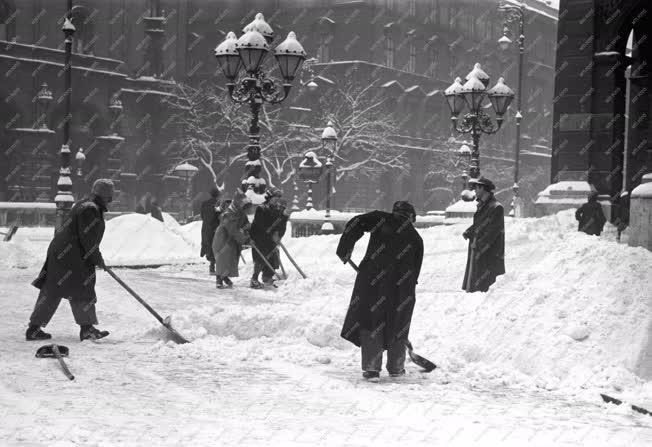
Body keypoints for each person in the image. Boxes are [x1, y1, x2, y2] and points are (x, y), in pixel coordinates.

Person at [336, 201, 424, 382]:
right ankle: (396, 368)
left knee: (372, 321)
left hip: (374, 283)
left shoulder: (382, 219)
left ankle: (371, 369)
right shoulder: (416, 238)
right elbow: (415, 272)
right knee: (398, 324)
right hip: (402, 288)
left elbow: (356, 223)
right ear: (411, 217)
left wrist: (344, 248)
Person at [26, 179, 113, 341]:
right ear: (105, 195)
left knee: (52, 290)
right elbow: (88, 239)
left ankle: (34, 329)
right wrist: (97, 259)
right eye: (110, 195)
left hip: (62, 253)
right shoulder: (90, 209)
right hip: (72, 256)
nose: (111, 199)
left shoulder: (84, 204)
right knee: (82, 288)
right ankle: (86, 329)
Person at [462, 176, 505, 293]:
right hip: (480, 248)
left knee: (486, 284)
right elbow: (480, 223)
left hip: (489, 251)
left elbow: (494, 230)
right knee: (478, 282)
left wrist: (480, 245)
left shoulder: (496, 207)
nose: (475, 190)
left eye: (477, 188)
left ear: (484, 189)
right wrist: (470, 231)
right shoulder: (483, 205)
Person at [249, 188, 290, 289]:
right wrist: (271, 233)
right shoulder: (261, 208)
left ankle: (267, 278)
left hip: (272, 239)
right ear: (269, 198)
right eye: (275, 198)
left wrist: (279, 234)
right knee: (261, 259)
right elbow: (259, 224)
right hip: (260, 238)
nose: (277, 200)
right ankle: (254, 279)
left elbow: (281, 224)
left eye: (278, 198)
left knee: (273, 258)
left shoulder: (279, 209)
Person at [212, 190, 252, 289]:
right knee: (223, 259)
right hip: (223, 239)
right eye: (243, 205)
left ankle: (224, 276)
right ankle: (219, 279)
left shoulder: (240, 212)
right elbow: (233, 230)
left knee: (231, 259)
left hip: (233, 240)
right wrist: (246, 239)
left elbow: (245, 224)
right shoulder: (229, 214)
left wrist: (248, 229)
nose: (245, 209)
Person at [200, 186, 221, 274]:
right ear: (217, 195)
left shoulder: (204, 204)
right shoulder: (218, 204)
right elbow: (220, 216)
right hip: (215, 228)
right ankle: (213, 266)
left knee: (207, 244)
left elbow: (202, 215)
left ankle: (211, 264)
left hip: (205, 227)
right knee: (215, 246)